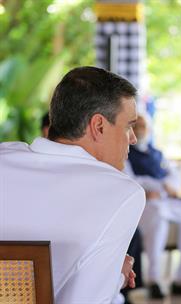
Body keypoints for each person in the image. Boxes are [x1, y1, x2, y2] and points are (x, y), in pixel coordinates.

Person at [0, 66, 145, 303]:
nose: (133, 138)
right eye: (128, 126)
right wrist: (117, 275)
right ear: (98, 126)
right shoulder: (122, 193)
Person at [125, 112, 181, 299]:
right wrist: (159, 187)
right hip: (146, 204)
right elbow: (133, 180)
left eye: (143, 126)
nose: (140, 129)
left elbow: (174, 177)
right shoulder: (127, 152)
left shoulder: (157, 153)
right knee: (157, 214)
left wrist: (165, 188)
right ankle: (154, 279)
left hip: (164, 200)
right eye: (135, 126)